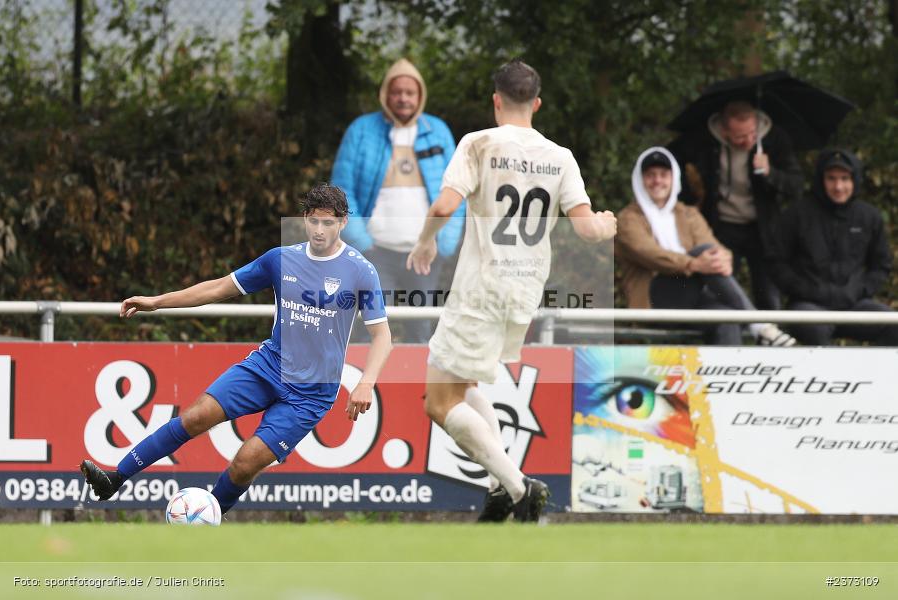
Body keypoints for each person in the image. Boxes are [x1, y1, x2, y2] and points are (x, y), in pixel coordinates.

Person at [80, 184, 392, 514]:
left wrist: (366, 382)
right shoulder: (281, 259)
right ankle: (115, 478)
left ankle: (206, 517)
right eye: (313, 221)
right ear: (304, 219)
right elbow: (218, 288)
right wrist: (157, 302)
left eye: (328, 223)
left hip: (311, 393)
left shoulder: (360, 271)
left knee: (246, 462)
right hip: (268, 366)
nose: (319, 229)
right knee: (197, 415)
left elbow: (382, 335)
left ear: (343, 223)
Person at [407, 59, 617, 522]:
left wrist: (424, 242)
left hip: (481, 287)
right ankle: (500, 487)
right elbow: (585, 229)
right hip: (524, 290)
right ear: (537, 103)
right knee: (463, 385)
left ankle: (521, 489)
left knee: (439, 402)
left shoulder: (478, 143)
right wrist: (605, 225)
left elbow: (445, 204)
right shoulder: (559, 155)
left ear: (496, 100)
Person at [331, 58, 463, 343]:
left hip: (426, 255)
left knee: (422, 332)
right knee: (370, 330)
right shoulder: (361, 130)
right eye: (397, 91)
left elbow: (456, 192)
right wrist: (363, 243)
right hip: (376, 253)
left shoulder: (438, 131)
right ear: (385, 94)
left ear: (420, 96)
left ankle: (419, 388)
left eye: (410, 92)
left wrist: (444, 243)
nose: (403, 98)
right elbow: (342, 191)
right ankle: (367, 388)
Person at [616, 147, 795, 346]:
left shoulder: (687, 213)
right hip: (654, 302)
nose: (657, 181)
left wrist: (723, 259)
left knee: (727, 318)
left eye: (663, 175)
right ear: (639, 180)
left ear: (674, 178)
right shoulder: (626, 219)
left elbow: (713, 247)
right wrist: (693, 264)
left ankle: (728, 375)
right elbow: (648, 254)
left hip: (693, 298)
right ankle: (759, 325)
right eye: (650, 175)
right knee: (703, 255)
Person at [671, 100, 803, 310]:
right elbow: (671, 158)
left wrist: (771, 173)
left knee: (768, 292)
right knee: (723, 288)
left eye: (752, 132)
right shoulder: (703, 139)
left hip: (764, 229)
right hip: (721, 224)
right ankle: (730, 337)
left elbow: (795, 186)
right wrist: (688, 199)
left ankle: (770, 335)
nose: (749, 140)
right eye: (740, 136)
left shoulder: (775, 138)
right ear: (724, 131)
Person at [773, 148, 898, 345]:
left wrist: (860, 289)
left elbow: (881, 264)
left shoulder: (869, 216)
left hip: (855, 304)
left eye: (845, 178)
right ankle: (826, 376)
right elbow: (777, 262)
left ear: (854, 180)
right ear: (821, 180)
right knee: (812, 328)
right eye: (831, 178)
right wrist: (803, 289)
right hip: (809, 305)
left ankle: (873, 376)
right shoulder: (796, 214)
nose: (838, 186)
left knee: (893, 324)